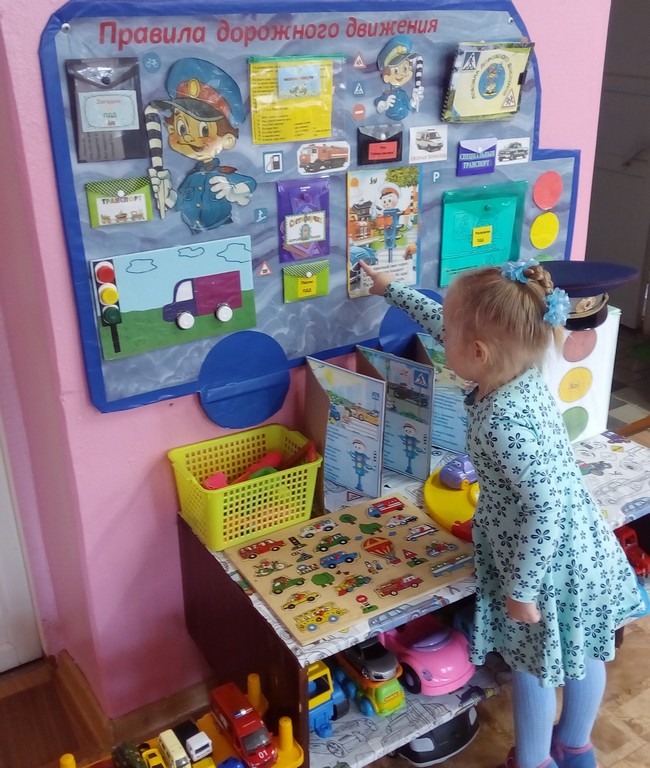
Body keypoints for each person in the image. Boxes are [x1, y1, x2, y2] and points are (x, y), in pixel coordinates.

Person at [359, 258, 645, 768]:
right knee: (585, 650)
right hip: (582, 547)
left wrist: (522, 590)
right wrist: (391, 290)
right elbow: (445, 322)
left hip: (543, 567)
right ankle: (576, 747)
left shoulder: (499, 422)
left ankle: (533, 761)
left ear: (477, 351)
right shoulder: (522, 368)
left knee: (532, 669)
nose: (440, 339)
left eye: (448, 336)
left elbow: (543, 509)